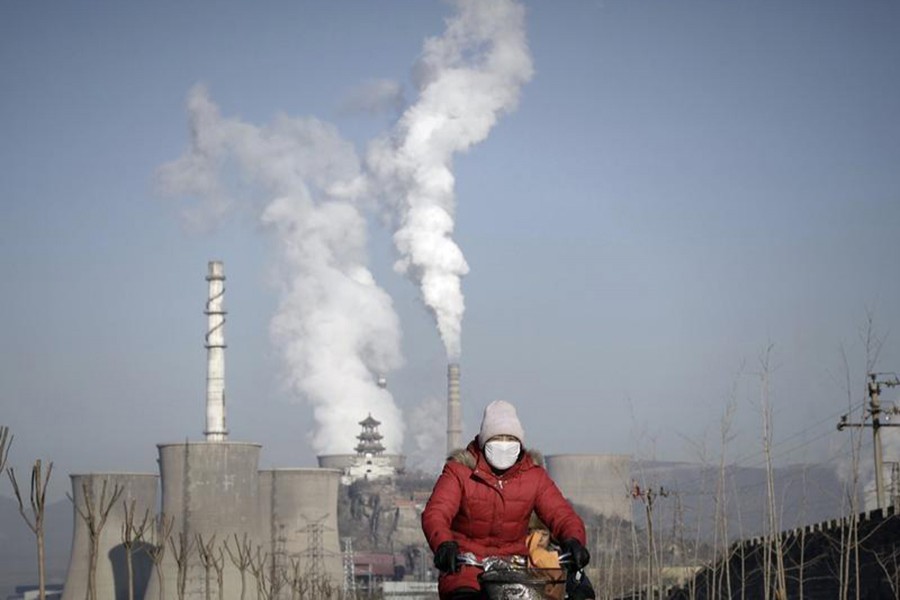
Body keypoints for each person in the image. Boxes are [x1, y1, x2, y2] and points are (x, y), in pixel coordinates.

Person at [422, 400, 591, 600]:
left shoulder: (534, 476)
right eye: (497, 438)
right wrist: (443, 544)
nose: (503, 444)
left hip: (515, 571)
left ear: (520, 443)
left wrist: (573, 539)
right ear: (484, 442)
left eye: (510, 438)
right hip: (467, 570)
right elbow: (436, 512)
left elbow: (561, 514)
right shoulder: (459, 472)